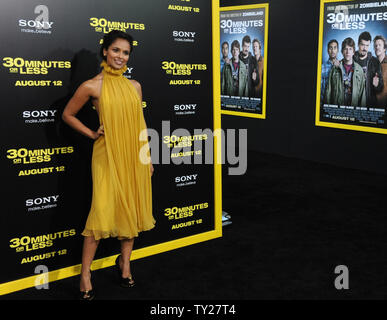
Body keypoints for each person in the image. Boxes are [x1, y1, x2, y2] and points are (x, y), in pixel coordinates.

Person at [62, 30, 155, 300]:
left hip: (133, 156)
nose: (120, 57)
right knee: (101, 212)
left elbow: (141, 126)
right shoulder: (92, 86)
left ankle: (125, 264)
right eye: (116, 50)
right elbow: (67, 114)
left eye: (125, 52)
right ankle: (85, 273)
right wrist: (91, 134)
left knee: (132, 210)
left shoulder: (135, 86)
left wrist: (146, 158)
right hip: (106, 154)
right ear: (105, 51)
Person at [325, 37, 366, 107]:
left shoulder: (359, 70)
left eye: (350, 49)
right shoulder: (335, 68)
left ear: (353, 52)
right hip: (337, 110)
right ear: (342, 51)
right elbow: (329, 91)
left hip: (353, 110)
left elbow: (362, 95)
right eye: (345, 49)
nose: (348, 52)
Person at [354, 31, 384, 106]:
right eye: (362, 45)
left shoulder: (375, 62)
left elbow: (380, 87)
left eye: (367, 45)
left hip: (369, 103)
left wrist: (376, 85)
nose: (364, 48)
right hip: (353, 102)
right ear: (358, 44)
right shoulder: (352, 59)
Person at [374, 35, 387, 106]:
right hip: (374, 105)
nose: (377, 47)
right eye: (375, 45)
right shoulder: (372, 63)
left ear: (385, 48)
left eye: (379, 45)